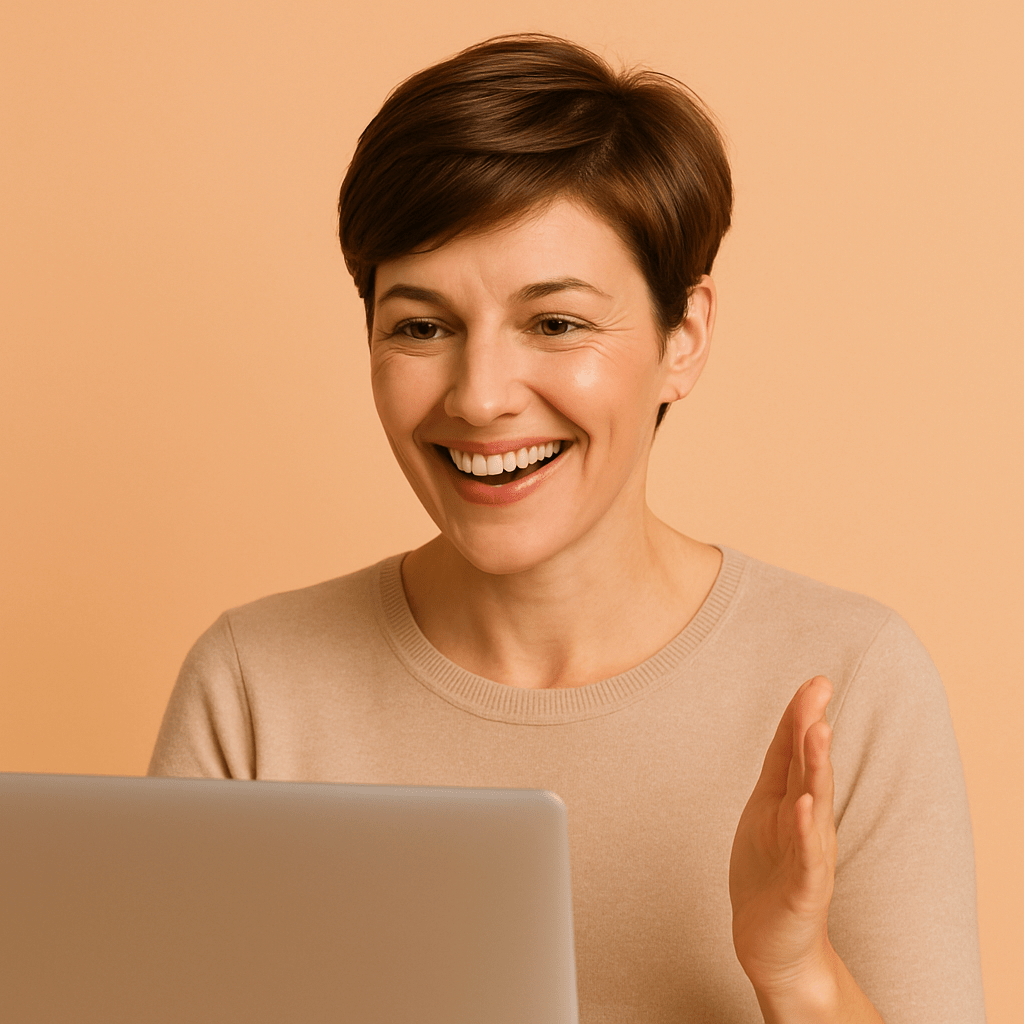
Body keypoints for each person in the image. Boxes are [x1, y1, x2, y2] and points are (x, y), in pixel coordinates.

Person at [149, 33, 986, 1024]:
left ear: (684, 337)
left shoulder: (855, 682)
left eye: (554, 324)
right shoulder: (255, 689)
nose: (482, 396)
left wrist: (796, 971)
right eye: (420, 325)